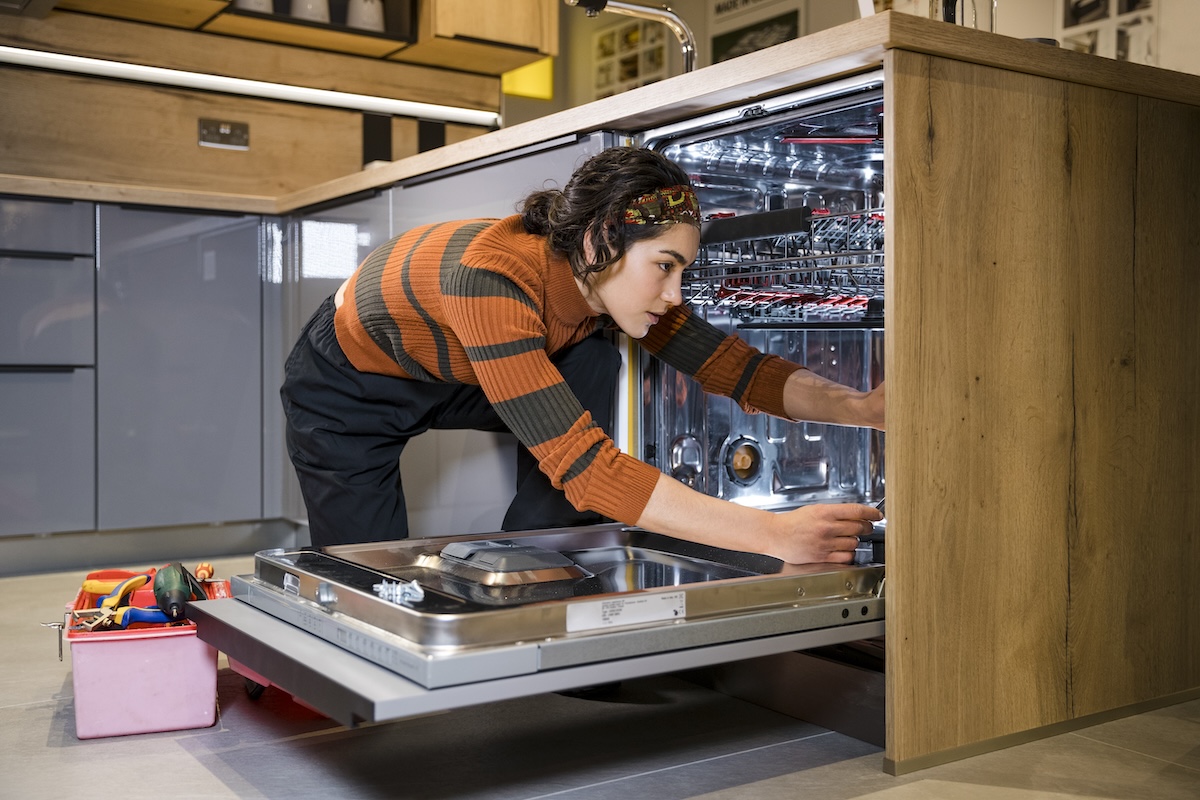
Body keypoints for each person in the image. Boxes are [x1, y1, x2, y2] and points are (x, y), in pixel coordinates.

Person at [281, 146, 884, 564]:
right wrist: (771, 534)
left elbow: (737, 367)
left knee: (594, 352)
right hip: (347, 388)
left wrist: (864, 408)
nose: (675, 294)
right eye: (665, 268)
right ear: (600, 241)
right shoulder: (490, 282)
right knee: (366, 568)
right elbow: (590, 469)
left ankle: (534, 558)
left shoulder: (605, 286)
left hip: (457, 366)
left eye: (682, 271)